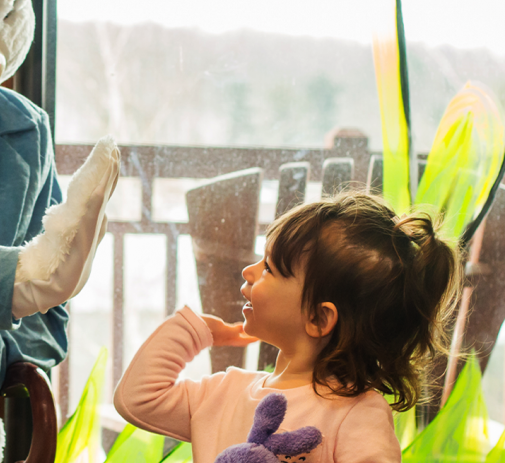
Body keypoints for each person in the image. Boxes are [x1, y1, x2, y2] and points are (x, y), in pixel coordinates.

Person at [114, 192, 462, 463]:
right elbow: (139, 399)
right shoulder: (224, 392)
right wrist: (193, 331)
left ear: (318, 318)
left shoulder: (357, 414)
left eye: (269, 268)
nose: (248, 271)